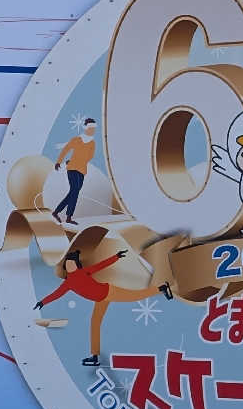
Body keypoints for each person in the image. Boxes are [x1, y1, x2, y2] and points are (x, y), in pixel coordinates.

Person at [35, 248, 174, 365]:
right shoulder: (68, 283)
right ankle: (95, 356)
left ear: (78, 265)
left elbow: (100, 265)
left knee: (135, 296)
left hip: (109, 292)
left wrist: (116, 257)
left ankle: (161, 288)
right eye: (68, 264)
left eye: (73, 263)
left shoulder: (84, 272)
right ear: (66, 266)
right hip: (101, 300)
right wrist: (42, 302)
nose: (71, 266)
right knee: (94, 323)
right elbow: (56, 294)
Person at [52, 118, 96, 226]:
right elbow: (65, 149)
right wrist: (58, 162)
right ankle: (68, 217)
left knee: (73, 192)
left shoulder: (92, 143)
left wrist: (76, 159)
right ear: (86, 128)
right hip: (72, 168)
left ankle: (56, 212)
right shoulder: (77, 140)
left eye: (94, 128)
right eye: (91, 128)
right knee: (75, 191)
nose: (92, 130)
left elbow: (89, 157)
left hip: (82, 170)